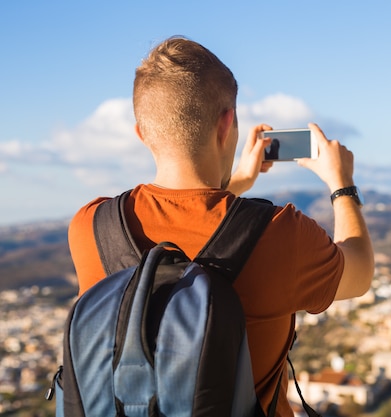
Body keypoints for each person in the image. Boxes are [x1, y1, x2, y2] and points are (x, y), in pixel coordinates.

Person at [67, 36, 374, 416]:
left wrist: (236, 183)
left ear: (142, 133)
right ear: (226, 123)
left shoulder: (91, 227)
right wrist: (341, 184)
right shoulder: (279, 233)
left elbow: (183, 221)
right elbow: (359, 271)